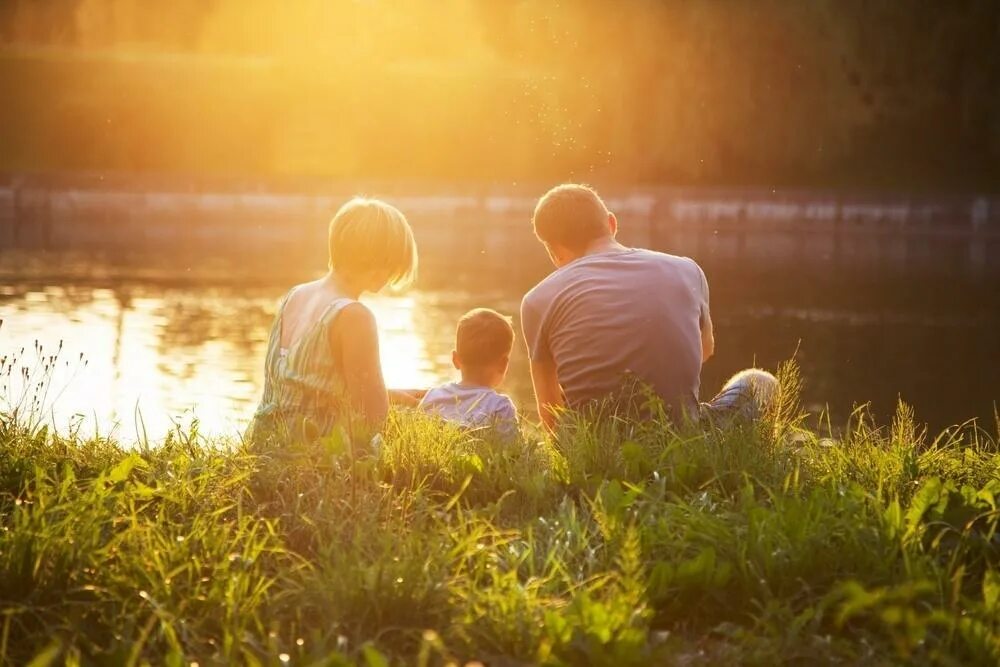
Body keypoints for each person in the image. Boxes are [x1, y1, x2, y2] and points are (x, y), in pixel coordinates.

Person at [520, 183, 776, 430]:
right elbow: (703, 351)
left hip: (595, 448)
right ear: (611, 223)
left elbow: (549, 410)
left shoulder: (537, 300)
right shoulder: (687, 270)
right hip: (681, 439)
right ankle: (757, 462)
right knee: (761, 383)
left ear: (554, 252)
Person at [250, 197, 417, 445]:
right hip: (311, 457)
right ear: (381, 259)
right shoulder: (354, 316)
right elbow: (373, 417)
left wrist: (399, 396)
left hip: (264, 446)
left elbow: (311, 390)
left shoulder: (296, 295)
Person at [418, 308, 519, 439]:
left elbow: (417, 436)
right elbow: (515, 453)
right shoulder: (500, 407)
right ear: (503, 364)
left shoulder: (433, 396)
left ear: (455, 359)